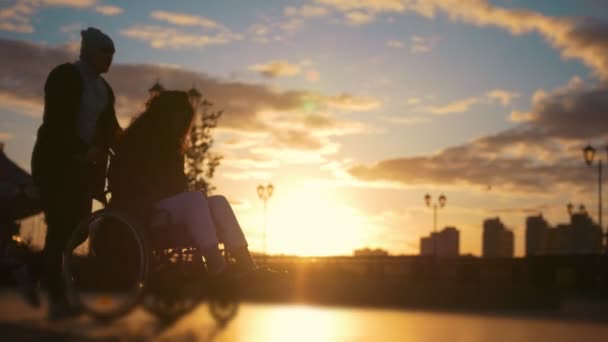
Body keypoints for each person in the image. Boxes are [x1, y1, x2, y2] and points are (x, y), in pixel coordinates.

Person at [107, 91, 281, 286]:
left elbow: (178, 186)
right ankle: (217, 268)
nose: (180, 126)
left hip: (165, 207)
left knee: (218, 202)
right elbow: (123, 181)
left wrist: (186, 196)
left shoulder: (172, 149)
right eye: (177, 118)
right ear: (163, 116)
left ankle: (247, 266)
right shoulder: (135, 141)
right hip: (141, 210)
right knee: (195, 200)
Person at [31, 27, 121, 320]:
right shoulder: (65, 76)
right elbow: (56, 122)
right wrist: (82, 149)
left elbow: (110, 129)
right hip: (57, 163)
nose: (109, 58)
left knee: (79, 229)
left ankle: (29, 270)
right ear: (88, 51)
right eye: (104, 51)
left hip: (83, 169)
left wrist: (133, 143)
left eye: (112, 53)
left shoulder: (104, 90)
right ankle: (58, 299)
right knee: (60, 227)